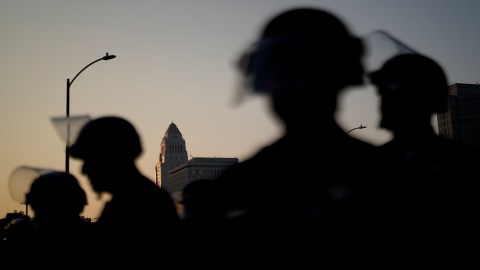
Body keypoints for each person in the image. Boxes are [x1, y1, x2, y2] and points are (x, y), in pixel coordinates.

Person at [205, 7, 384, 256]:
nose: (296, 88)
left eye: (307, 72)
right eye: (284, 73)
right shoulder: (387, 171)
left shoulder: (242, 182)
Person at [369, 53, 480, 259]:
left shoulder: (464, 163)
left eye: (390, 91)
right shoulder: (369, 163)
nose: (383, 100)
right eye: (382, 92)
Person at [69, 115, 181, 256]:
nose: (84, 170)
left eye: (91, 158)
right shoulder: (130, 199)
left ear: (113, 157)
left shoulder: (142, 203)